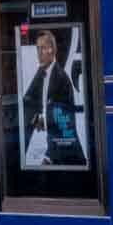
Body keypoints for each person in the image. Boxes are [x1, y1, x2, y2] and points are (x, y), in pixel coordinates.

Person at [22, 29, 82, 166]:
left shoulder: (61, 80)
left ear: (52, 50)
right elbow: (29, 98)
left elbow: (63, 126)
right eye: (37, 48)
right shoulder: (42, 71)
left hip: (65, 154)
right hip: (50, 140)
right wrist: (37, 117)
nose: (38, 53)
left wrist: (49, 157)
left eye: (42, 48)